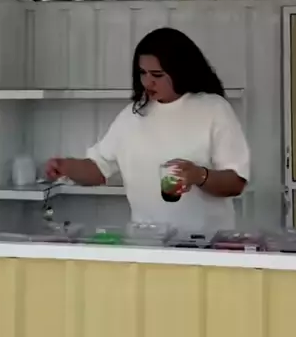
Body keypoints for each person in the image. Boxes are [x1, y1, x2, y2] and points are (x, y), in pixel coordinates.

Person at [45, 27, 250, 230]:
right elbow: (99, 169)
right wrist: (66, 166)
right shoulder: (132, 116)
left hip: (205, 242)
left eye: (157, 75)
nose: (148, 82)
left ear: (180, 71)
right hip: (148, 241)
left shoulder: (213, 109)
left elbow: (236, 182)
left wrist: (199, 175)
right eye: (142, 73)